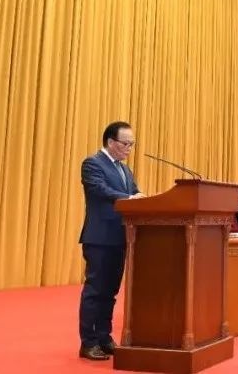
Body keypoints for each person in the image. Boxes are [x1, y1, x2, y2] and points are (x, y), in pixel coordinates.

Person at [78, 121, 145, 361]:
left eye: (132, 144)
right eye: (125, 144)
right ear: (110, 142)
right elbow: (100, 190)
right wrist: (130, 198)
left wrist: (142, 198)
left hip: (120, 237)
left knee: (110, 292)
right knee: (95, 291)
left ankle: (104, 337)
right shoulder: (92, 164)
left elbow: (134, 192)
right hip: (99, 237)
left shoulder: (124, 170)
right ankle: (88, 342)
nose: (129, 149)